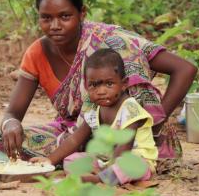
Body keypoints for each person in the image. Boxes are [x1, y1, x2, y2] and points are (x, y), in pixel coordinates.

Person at [0, 0, 197, 160]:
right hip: (74, 133)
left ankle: (82, 161)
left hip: (122, 133)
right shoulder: (37, 53)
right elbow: (13, 111)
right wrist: (10, 124)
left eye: (65, 16)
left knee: (120, 50)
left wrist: (154, 122)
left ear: (82, 13)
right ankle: (75, 160)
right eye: (46, 18)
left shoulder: (108, 40)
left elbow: (185, 69)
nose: (55, 26)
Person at [30, 48, 156, 185]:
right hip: (106, 161)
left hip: (136, 161)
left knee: (125, 166)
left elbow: (124, 148)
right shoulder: (94, 112)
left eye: (109, 84)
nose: (101, 91)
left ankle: (98, 179)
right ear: (86, 86)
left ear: (123, 84)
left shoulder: (130, 109)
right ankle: (95, 176)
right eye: (94, 85)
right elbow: (74, 140)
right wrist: (50, 160)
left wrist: (107, 169)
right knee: (71, 160)